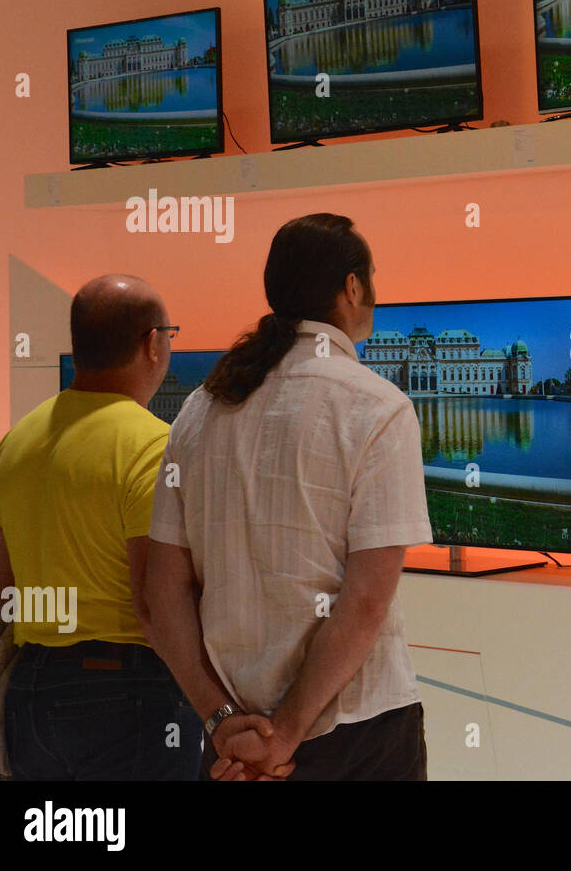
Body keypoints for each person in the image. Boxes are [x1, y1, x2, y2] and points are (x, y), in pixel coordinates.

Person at [147, 213, 434, 781]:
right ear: (353, 287)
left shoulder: (199, 411)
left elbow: (164, 592)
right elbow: (366, 602)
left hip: (235, 744)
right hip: (356, 734)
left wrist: (222, 719)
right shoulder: (378, 407)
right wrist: (288, 734)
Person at [0, 275, 233, 780]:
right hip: (130, 692)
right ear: (152, 343)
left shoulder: (16, 443)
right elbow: (156, 602)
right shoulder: (152, 446)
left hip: (32, 690)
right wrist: (219, 711)